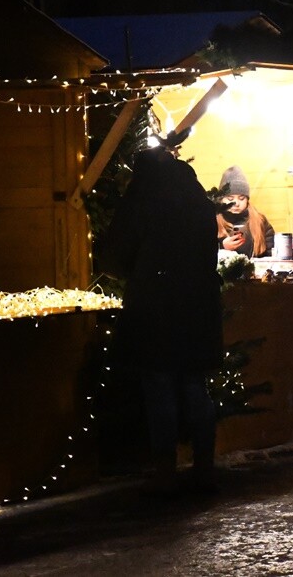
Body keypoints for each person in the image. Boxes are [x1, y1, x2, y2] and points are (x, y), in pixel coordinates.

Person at [106, 132, 225, 497]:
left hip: (154, 307)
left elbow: (115, 255)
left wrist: (138, 273)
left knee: (159, 387)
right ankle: (204, 465)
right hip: (198, 305)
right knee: (194, 385)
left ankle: (165, 469)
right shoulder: (198, 201)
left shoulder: (141, 201)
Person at [217, 165, 275, 257]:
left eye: (241, 198)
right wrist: (222, 247)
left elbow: (271, 252)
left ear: (247, 199)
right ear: (221, 199)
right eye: (230, 198)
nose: (236, 203)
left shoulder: (260, 221)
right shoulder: (211, 221)